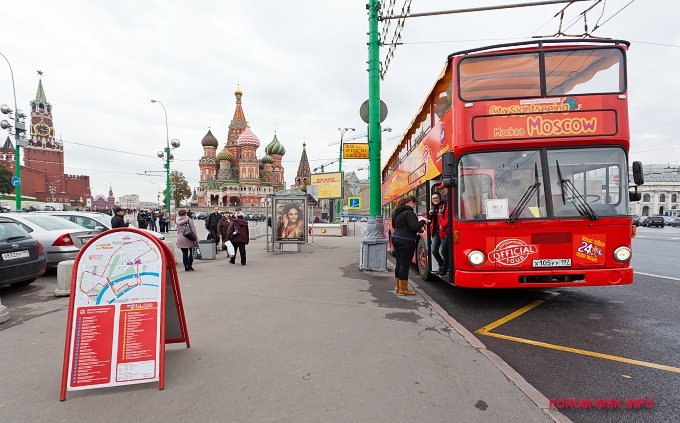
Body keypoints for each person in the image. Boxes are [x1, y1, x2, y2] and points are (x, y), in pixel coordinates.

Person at [392, 195, 427, 295]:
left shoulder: (396, 212)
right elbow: (413, 226)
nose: (415, 205)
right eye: (415, 203)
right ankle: (403, 290)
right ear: (410, 202)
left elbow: (396, 226)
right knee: (404, 265)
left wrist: (417, 228)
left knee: (399, 263)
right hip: (406, 241)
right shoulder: (409, 213)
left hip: (396, 238)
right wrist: (423, 221)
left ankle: (398, 287)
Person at [428, 191, 449, 277]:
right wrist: (429, 214)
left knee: (444, 252)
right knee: (434, 250)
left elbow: (447, 218)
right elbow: (430, 220)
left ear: (440, 198)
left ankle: (444, 268)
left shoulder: (443, 205)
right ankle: (442, 265)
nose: (435, 199)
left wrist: (442, 226)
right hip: (435, 232)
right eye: (433, 198)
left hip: (443, 231)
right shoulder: (433, 208)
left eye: (436, 198)